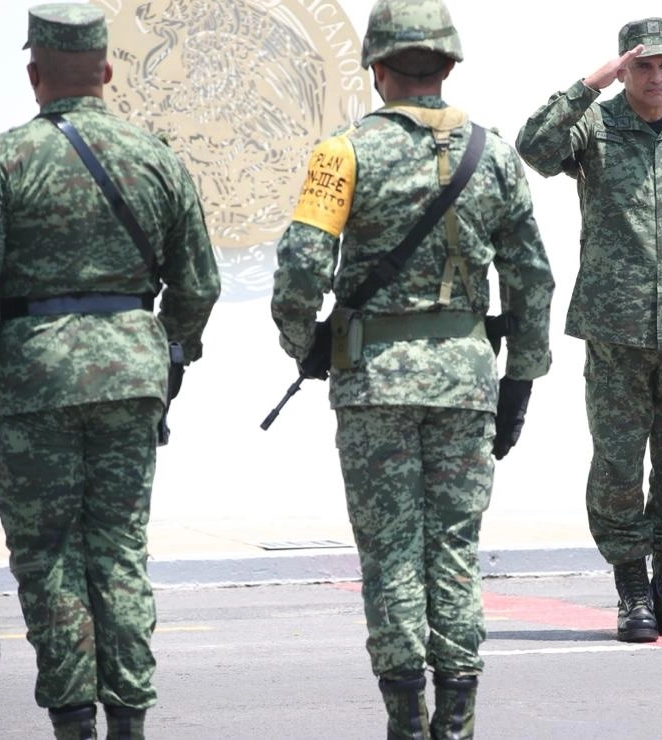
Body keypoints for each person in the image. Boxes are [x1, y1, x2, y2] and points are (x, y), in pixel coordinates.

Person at [270, 1, 554, 736]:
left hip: (374, 383)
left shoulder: (341, 154)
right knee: (454, 550)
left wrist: (301, 341)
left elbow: (302, 265)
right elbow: (533, 281)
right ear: (450, 66)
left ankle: (406, 720)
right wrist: (519, 380)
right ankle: (456, 723)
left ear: (376, 69)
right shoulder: (494, 155)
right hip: (465, 381)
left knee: (391, 553)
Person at [0, 4, 221, 739]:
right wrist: (170, 353)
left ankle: (75, 724)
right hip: (130, 378)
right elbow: (198, 284)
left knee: (50, 560)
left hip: (34, 384)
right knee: (120, 551)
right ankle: (129, 720)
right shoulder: (157, 158)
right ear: (105, 70)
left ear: (34, 74)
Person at [515, 18, 662, 643]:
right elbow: (534, 147)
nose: (655, 77)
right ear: (622, 68)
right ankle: (631, 590)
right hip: (617, 330)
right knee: (617, 465)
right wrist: (589, 85)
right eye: (641, 66)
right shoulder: (594, 128)